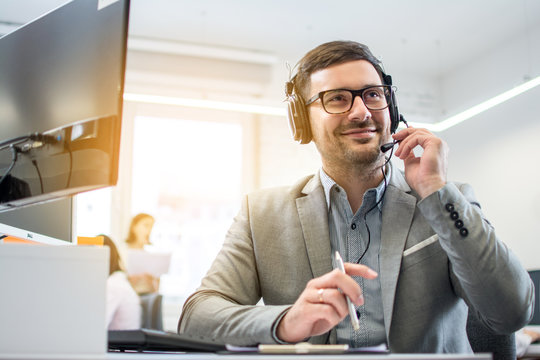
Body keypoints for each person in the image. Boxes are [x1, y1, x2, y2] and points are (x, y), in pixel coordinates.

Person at [178, 40, 534, 353]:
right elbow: (197, 317)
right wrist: (286, 321)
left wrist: (437, 193)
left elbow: (512, 311)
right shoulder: (262, 214)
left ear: (391, 109)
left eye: (373, 94)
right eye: (337, 99)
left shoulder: (443, 200)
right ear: (302, 122)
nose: (362, 111)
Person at [102, 235, 142, 330]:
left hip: (119, 343)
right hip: (123, 341)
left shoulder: (113, 285)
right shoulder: (118, 280)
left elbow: (98, 325)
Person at [124, 213, 160, 294]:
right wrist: (128, 281)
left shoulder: (152, 257)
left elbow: (156, 291)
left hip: (146, 298)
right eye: (146, 225)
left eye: (151, 226)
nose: (149, 230)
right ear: (134, 227)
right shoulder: (122, 253)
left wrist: (151, 283)